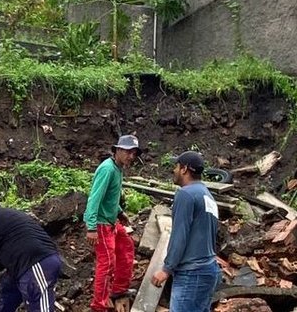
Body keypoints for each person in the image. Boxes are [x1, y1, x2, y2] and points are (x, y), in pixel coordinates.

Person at [150, 151, 221, 312]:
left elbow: (179, 235)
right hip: (209, 271)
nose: (174, 171)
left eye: (176, 166)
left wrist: (166, 268)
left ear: (184, 169)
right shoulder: (207, 196)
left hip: (192, 274)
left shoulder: (186, 194)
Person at [84, 134, 140, 311]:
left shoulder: (118, 168)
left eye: (134, 153)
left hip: (111, 220)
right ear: (118, 150)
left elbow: (111, 197)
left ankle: (119, 290)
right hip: (100, 224)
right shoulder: (107, 169)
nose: (131, 157)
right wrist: (91, 227)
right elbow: (94, 198)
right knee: (107, 262)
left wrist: (120, 213)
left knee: (126, 247)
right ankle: (99, 304)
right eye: (128, 152)